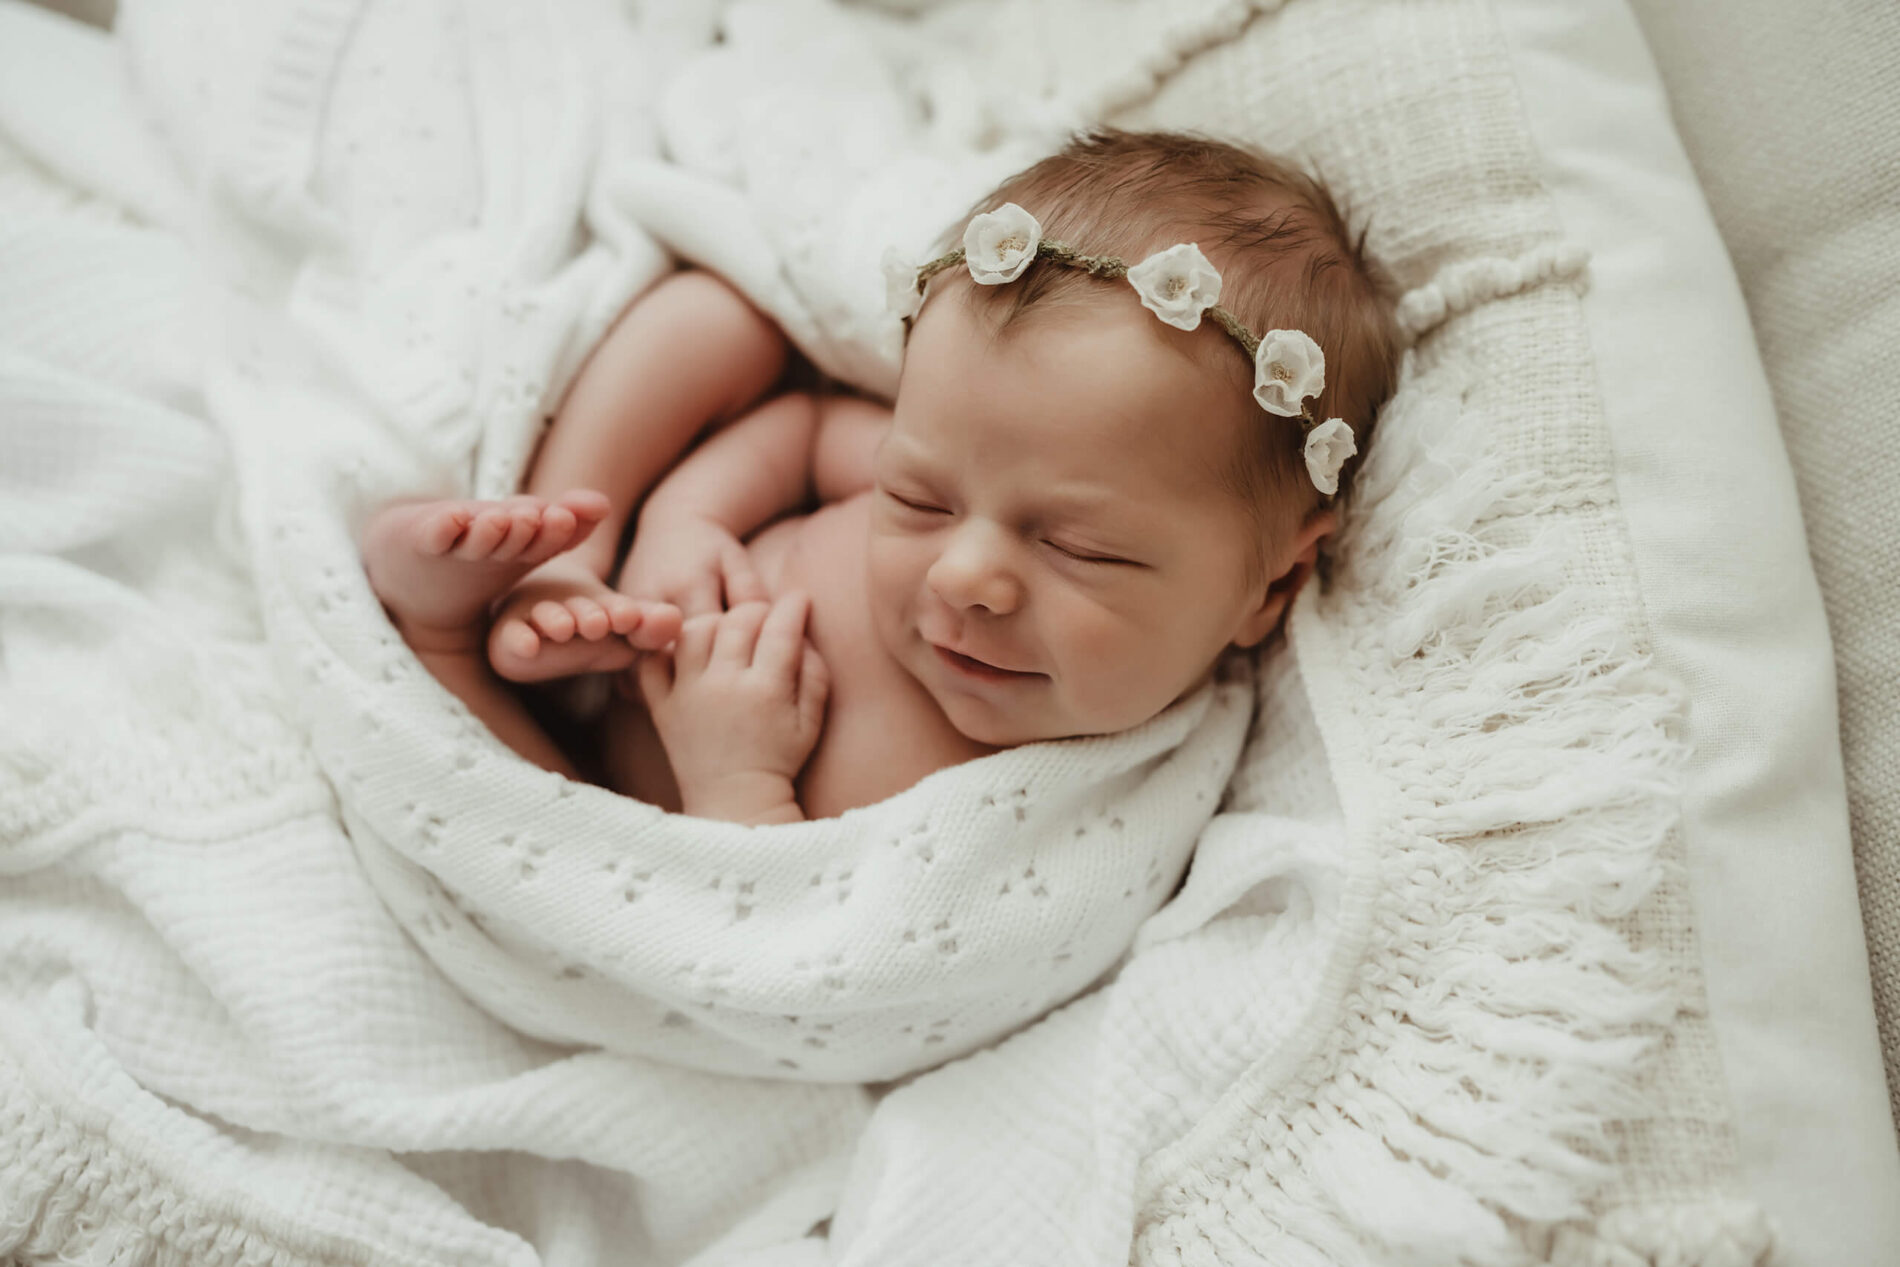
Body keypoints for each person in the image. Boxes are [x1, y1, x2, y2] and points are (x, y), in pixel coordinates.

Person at [362, 129, 1400, 824]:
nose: (963, 574)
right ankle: (567, 544)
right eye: (917, 499)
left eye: (1078, 548)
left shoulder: (1085, 812)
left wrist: (737, 779)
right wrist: (683, 517)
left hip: (615, 797)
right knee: (713, 319)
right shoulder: (994, 453)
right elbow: (810, 426)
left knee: (517, 804)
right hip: (631, 599)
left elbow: (805, 961)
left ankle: (441, 642)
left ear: (1270, 584)